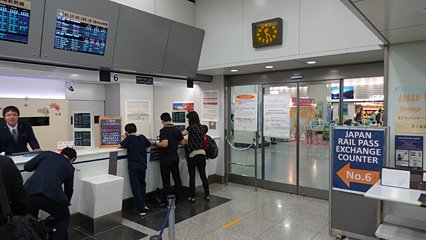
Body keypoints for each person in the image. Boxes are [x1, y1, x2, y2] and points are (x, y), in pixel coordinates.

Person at [24, 147, 76, 240]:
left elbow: (27, 167)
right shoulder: (70, 167)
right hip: (52, 196)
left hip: (29, 192)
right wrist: (66, 204)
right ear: (72, 159)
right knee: (63, 217)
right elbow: (69, 189)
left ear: (61, 152)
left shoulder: (47, 154)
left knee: (30, 220)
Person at [120, 123, 151, 216]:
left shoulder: (129, 139)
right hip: (142, 166)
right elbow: (148, 144)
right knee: (142, 185)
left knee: (136, 187)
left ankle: (141, 209)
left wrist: (124, 138)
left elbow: (121, 145)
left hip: (133, 167)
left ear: (126, 132)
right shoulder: (142, 137)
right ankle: (144, 204)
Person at [153, 113, 183, 201]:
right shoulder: (177, 129)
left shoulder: (164, 130)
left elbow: (164, 144)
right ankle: (179, 196)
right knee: (176, 177)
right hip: (175, 156)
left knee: (166, 178)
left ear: (162, 120)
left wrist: (156, 143)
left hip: (166, 158)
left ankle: (168, 198)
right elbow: (181, 142)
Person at [182, 111, 210, 202]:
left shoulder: (191, 127)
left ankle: (192, 196)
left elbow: (182, 134)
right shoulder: (201, 127)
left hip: (192, 154)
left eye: (188, 119)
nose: (187, 120)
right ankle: (207, 194)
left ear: (191, 119)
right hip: (202, 153)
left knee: (192, 176)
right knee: (203, 175)